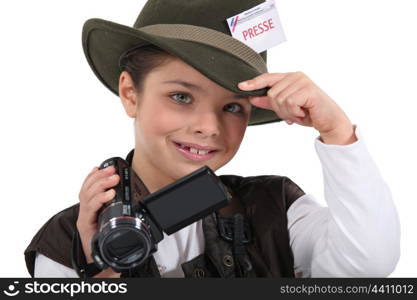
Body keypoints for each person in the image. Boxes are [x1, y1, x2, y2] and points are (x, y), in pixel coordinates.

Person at [24, 0, 400, 278]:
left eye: (233, 107)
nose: (208, 126)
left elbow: (367, 264)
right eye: (182, 97)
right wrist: (102, 267)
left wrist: (336, 132)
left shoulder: (274, 210)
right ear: (130, 93)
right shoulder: (65, 240)